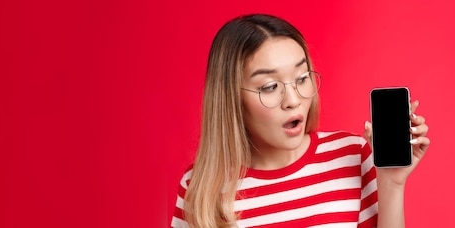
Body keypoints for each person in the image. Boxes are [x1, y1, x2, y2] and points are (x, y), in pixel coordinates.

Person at [171, 14, 430, 228]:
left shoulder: (354, 154)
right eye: (270, 86)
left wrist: (392, 185)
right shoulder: (199, 187)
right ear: (231, 99)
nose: (293, 100)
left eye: (302, 78)